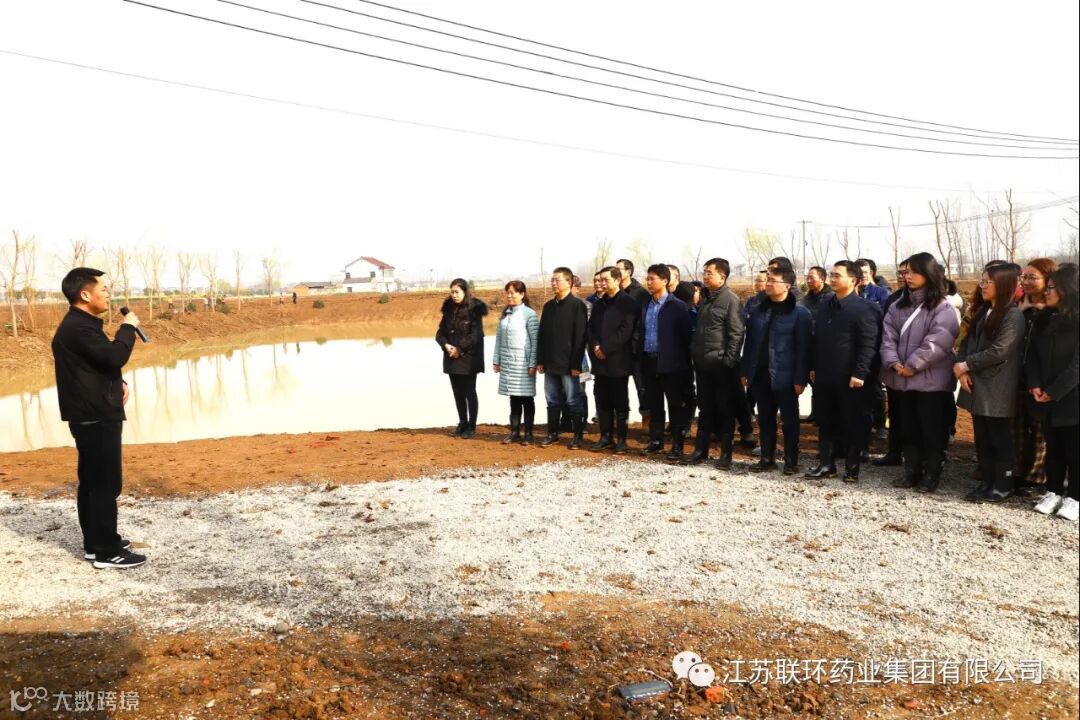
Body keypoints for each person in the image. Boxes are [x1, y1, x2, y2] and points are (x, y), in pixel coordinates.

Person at [52, 267, 146, 569]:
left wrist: (118, 381)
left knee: (94, 482)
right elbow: (115, 356)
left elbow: (96, 364)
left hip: (92, 411)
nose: (108, 294)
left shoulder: (82, 325)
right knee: (104, 484)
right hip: (95, 414)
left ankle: (97, 543)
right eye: (103, 289)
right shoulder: (78, 328)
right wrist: (128, 328)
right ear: (84, 294)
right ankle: (106, 551)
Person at [879, 253, 959, 493]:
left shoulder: (943, 307)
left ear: (928, 274)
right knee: (908, 427)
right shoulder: (897, 306)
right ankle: (911, 471)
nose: (908, 277)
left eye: (914, 272)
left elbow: (939, 341)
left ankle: (931, 474)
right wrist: (894, 363)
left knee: (931, 428)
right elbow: (887, 337)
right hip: (901, 378)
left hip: (931, 381)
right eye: (906, 272)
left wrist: (912, 364)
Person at [956, 264, 1025, 502]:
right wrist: (961, 369)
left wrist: (966, 365)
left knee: (999, 437)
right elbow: (967, 342)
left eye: (987, 282)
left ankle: (1003, 484)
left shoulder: (1013, 315)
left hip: (997, 386)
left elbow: (999, 351)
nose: (982, 286)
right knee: (983, 437)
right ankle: (987, 481)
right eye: (982, 281)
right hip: (976, 383)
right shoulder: (984, 310)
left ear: (1003, 285)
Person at [806, 261, 879, 482]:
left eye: (837, 275)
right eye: (831, 275)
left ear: (853, 280)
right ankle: (826, 465)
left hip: (851, 378)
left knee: (852, 422)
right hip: (825, 374)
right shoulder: (826, 305)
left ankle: (852, 468)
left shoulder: (865, 308)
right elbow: (817, 339)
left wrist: (860, 373)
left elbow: (869, 345)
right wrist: (814, 366)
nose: (832, 279)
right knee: (826, 421)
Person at [740, 266, 811, 474]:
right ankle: (767, 458)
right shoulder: (758, 311)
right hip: (760, 375)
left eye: (773, 281)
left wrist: (800, 378)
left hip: (786, 376)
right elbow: (750, 344)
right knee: (765, 419)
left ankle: (791, 461)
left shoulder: (800, 314)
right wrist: (745, 371)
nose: (768, 284)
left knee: (790, 421)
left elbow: (804, 349)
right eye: (768, 280)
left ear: (787, 285)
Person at [1027, 264, 1079, 521]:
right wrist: (1035, 384)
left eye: (1051, 288)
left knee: (1074, 450)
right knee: (1054, 448)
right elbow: (1032, 356)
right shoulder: (1044, 319)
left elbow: (1077, 365)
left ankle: (1075, 498)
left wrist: (1055, 391)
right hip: (1045, 396)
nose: (1046, 292)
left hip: (1072, 397)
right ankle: (1053, 491)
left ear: (1067, 290)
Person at [686, 258, 744, 468]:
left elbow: (737, 333)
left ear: (722, 276)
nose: (705, 276)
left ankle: (726, 453)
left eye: (709, 273)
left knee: (725, 409)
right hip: (703, 364)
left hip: (721, 365)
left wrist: (728, 361)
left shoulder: (730, 300)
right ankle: (700, 450)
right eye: (704, 272)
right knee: (705, 407)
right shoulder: (705, 298)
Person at [639, 264, 693, 459]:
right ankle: (656, 441)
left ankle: (677, 445)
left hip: (672, 364)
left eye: (652, 279)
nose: (648, 282)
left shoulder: (677, 306)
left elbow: (686, 338)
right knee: (654, 404)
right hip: (649, 361)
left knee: (675, 406)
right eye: (647, 279)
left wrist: (683, 365)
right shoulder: (645, 305)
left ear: (664, 280)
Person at [1015, 258, 1058, 492]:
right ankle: (1018, 472)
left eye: (1032, 277)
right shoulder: (1018, 306)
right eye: (1024, 277)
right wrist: (1019, 312)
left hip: (1042, 380)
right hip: (1016, 377)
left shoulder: (1055, 311)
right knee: (1018, 426)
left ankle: (1037, 476)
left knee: (1040, 429)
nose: (1026, 281)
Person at [588, 265, 640, 453]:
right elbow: (591, 328)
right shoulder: (599, 304)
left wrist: (606, 348)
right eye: (600, 280)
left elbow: (625, 331)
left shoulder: (628, 303)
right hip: (600, 361)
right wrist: (595, 346)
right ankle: (605, 437)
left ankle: (622, 440)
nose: (601, 283)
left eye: (605, 280)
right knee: (602, 400)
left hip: (618, 361)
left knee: (620, 402)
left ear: (617, 280)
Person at [537, 267, 588, 449]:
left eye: (557, 280)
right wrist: (540, 360)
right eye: (552, 280)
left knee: (573, 399)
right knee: (552, 399)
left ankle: (578, 436)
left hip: (568, 363)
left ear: (569, 282)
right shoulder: (549, 306)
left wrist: (576, 364)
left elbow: (580, 337)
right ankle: (552, 434)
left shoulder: (577, 306)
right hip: (550, 362)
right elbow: (542, 335)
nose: (554, 283)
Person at [436, 278, 488, 439]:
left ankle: (471, 426)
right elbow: (440, 333)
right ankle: (462, 423)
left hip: (469, 358)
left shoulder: (474, 309)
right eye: (452, 292)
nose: (454, 295)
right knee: (457, 392)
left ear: (465, 291)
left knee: (469, 392)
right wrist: (446, 345)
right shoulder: (448, 309)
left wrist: (460, 349)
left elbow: (476, 335)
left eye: (457, 292)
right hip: (451, 356)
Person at [872, 259, 910, 467]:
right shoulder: (893, 299)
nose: (903, 276)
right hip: (894, 364)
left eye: (907, 272)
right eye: (900, 272)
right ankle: (894, 451)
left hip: (917, 367)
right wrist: (892, 359)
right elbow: (886, 332)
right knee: (895, 410)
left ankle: (919, 457)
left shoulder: (932, 300)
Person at [493, 280, 539, 445]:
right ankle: (514, 432)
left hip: (523, 363)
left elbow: (535, 341)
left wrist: (533, 363)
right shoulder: (506, 314)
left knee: (526, 398)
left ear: (522, 294)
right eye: (508, 292)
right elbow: (499, 339)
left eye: (513, 292)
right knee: (514, 398)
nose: (509, 296)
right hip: (508, 363)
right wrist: (496, 360)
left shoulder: (529, 314)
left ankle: (529, 434)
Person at [616, 258, 651, 417]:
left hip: (636, 347)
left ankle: (647, 418)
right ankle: (621, 419)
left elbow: (644, 321)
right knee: (618, 387)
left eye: (619, 269)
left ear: (628, 272)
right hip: (618, 348)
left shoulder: (641, 294)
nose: (616, 272)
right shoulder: (614, 292)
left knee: (642, 386)